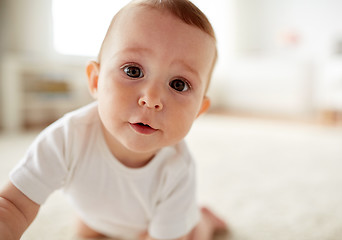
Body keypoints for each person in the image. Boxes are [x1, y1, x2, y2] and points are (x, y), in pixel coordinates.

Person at [0, 0, 227, 239]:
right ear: (96, 81)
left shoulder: (177, 168)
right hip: (93, 219)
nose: (151, 99)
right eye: (133, 71)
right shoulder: (67, 138)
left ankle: (204, 220)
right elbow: (12, 204)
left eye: (178, 84)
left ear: (198, 111)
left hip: (154, 228)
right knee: (85, 231)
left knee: (193, 233)